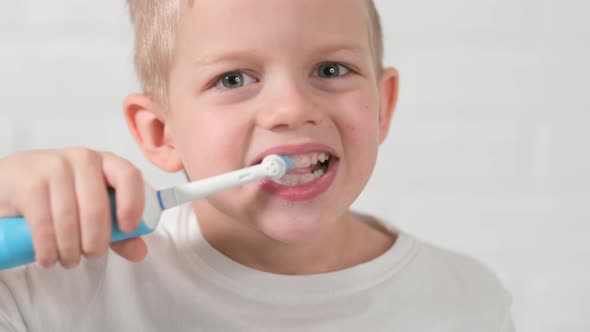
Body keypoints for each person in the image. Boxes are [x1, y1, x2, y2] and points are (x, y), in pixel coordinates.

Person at [0, 0, 514, 330]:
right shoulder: (56, 285)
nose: (292, 109)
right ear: (160, 132)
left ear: (383, 105)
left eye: (331, 69)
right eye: (233, 79)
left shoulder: (466, 298)